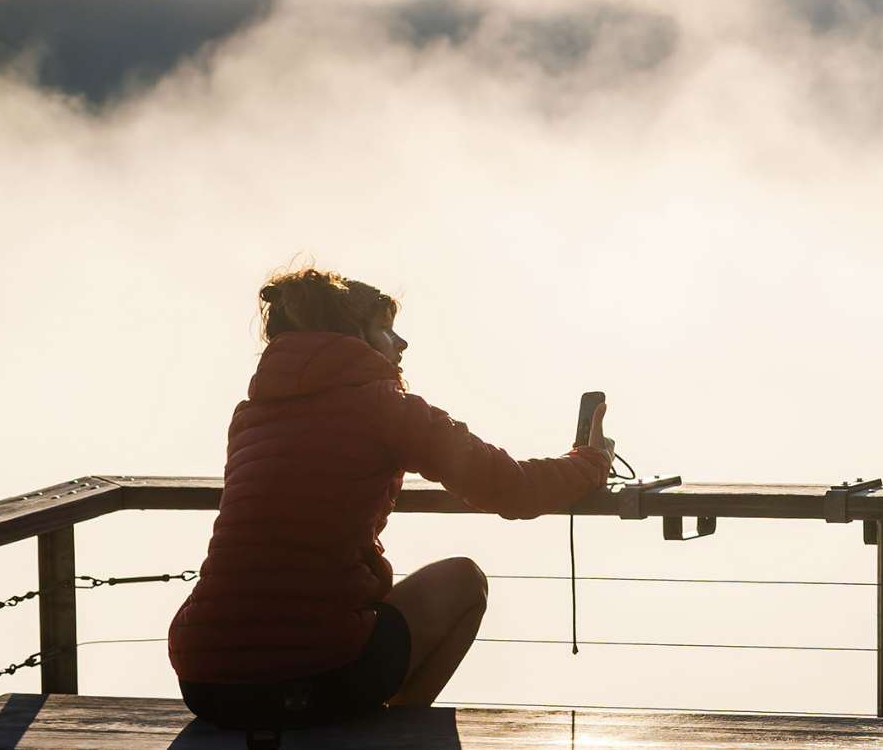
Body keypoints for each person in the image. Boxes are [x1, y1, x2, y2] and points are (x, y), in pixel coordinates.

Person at [169, 267, 612, 730]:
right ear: (353, 337)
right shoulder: (383, 406)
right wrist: (591, 459)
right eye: (386, 328)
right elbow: (512, 488)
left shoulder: (251, 415)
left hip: (204, 679)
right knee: (463, 582)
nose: (401, 344)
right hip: (315, 676)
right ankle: (393, 735)